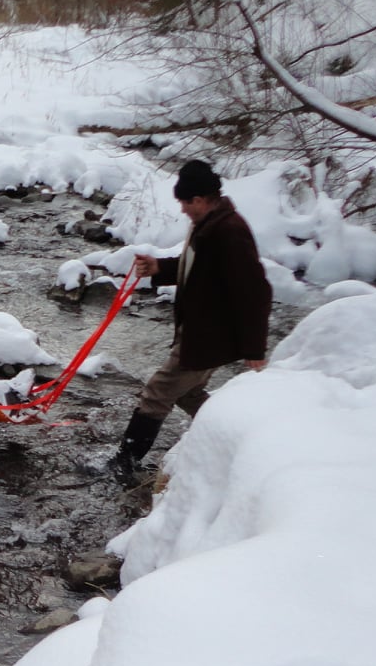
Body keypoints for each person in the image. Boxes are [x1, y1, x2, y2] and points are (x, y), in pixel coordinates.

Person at [107, 159, 271, 481]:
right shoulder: (211, 223)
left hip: (208, 338)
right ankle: (238, 440)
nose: (182, 209)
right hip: (199, 332)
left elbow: (256, 292)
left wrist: (256, 350)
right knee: (188, 394)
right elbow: (196, 265)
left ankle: (124, 464)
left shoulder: (230, 231)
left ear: (199, 199)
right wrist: (160, 269)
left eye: (184, 202)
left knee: (158, 392)